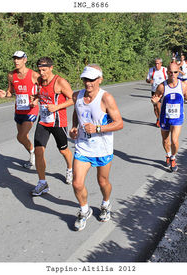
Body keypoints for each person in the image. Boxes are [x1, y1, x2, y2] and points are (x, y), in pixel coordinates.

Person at [69, 64, 123, 231]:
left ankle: (106, 204)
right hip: (83, 147)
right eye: (85, 79)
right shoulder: (77, 96)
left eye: (92, 79)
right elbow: (76, 112)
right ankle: (84, 210)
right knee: (77, 183)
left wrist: (98, 128)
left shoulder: (106, 98)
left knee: (102, 181)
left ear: (100, 79)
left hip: (102, 148)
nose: (88, 83)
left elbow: (119, 123)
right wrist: (74, 127)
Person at [30, 57, 74, 196]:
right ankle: (42, 183)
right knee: (38, 151)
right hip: (43, 121)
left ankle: (70, 169)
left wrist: (57, 107)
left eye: (44, 70)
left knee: (63, 150)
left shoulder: (60, 82)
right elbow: (39, 94)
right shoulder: (39, 81)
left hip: (58, 122)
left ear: (51, 68)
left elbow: (73, 99)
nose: (41, 73)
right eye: (39, 70)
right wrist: (35, 101)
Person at [151, 62, 187, 172]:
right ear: (167, 72)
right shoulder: (161, 86)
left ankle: (173, 158)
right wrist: (155, 102)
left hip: (177, 117)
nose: (173, 74)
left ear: (178, 72)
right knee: (166, 141)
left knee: (174, 141)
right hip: (165, 117)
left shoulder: (183, 85)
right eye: (170, 72)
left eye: (175, 72)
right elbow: (156, 98)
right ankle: (168, 154)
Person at [0, 51, 40, 169]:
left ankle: (33, 153)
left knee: (20, 136)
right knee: (23, 137)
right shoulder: (11, 75)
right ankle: (32, 153)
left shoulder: (34, 75)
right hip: (19, 109)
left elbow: (42, 89)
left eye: (19, 59)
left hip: (31, 110)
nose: (16, 61)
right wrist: (4, 95)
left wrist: (36, 100)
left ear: (25, 60)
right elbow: (10, 91)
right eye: (15, 58)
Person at [146, 58, 167, 127]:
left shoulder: (165, 70)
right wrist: (149, 81)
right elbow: (147, 79)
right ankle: (158, 119)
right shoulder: (151, 70)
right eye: (155, 63)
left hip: (162, 91)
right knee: (155, 107)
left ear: (161, 63)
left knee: (158, 106)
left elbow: (169, 79)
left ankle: (161, 120)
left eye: (158, 63)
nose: (156, 65)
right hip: (154, 91)